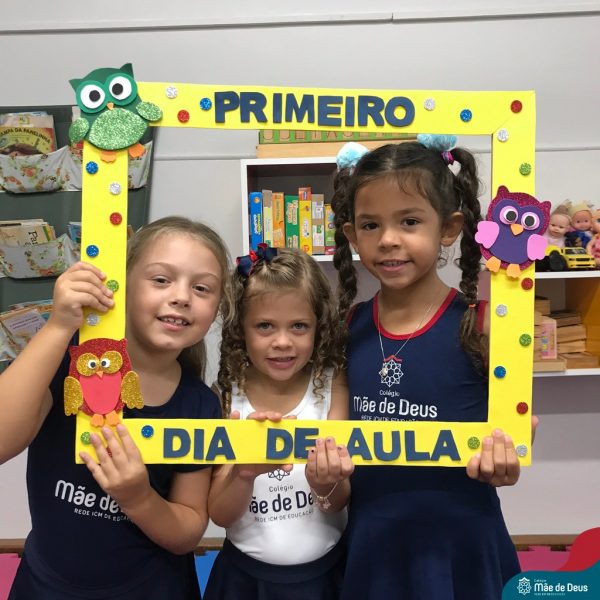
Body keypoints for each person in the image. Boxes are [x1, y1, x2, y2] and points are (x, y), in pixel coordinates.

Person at [330, 139, 531, 600]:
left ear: (449, 227)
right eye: (370, 225)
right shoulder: (347, 326)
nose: (388, 239)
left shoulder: (482, 326)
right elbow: (335, 436)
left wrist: (510, 453)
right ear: (352, 236)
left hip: (462, 544)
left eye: (409, 221)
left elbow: (514, 431)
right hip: (374, 541)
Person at [0, 216, 231, 600]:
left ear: (217, 307)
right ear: (120, 284)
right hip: (47, 587)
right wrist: (59, 326)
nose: (182, 296)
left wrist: (139, 498)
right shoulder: (68, 360)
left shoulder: (200, 404)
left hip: (153, 589)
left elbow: (188, 531)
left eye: (201, 288)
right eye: (162, 279)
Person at [204, 246, 353, 600]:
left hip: (325, 578)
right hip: (244, 581)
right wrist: (243, 473)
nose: (282, 342)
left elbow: (336, 503)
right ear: (241, 329)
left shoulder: (332, 384)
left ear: (319, 327)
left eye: (299, 326)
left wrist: (324, 483)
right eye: (265, 326)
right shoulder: (225, 397)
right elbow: (221, 515)